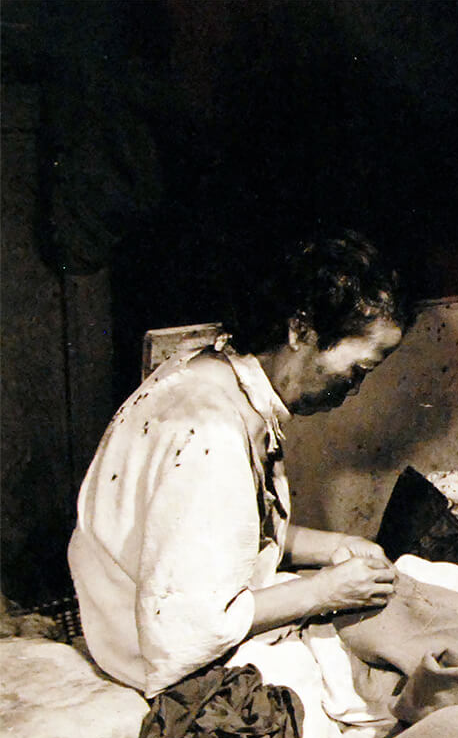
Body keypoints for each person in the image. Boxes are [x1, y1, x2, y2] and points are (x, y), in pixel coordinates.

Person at [69, 230, 407, 697]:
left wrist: (332, 546)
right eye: (360, 368)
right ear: (302, 330)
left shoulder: (207, 369)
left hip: (128, 615)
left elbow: (214, 535)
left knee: (410, 604)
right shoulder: (214, 433)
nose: (355, 388)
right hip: (146, 649)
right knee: (396, 660)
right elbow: (186, 632)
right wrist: (325, 591)